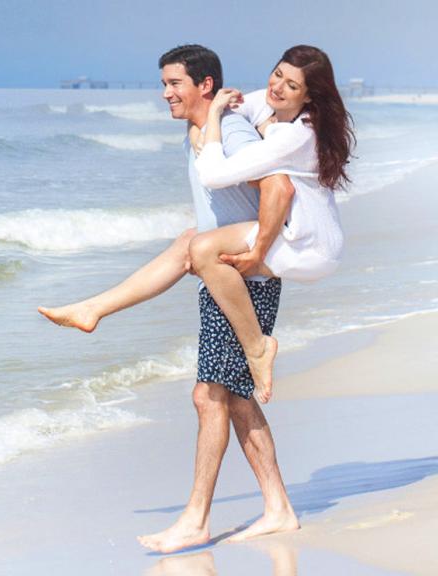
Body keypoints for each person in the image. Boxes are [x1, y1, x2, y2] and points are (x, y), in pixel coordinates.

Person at [41, 44, 300, 552]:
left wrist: (258, 254)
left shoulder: (232, 129)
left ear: (204, 85)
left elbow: (278, 186)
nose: (165, 93)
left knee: (209, 398)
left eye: (174, 83)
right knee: (237, 399)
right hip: (223, 275)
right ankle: (279, 507)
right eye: (164, 83)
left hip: (242, 281)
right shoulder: (202, 130)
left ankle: (196, 518)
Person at [39, 46, 354, 405]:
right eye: (277, 73)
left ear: (309, 95)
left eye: (291, 85)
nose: (277, 86)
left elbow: (222, 175)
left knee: (202, 249)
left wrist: (258, 251)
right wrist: (207, 123)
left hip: (308, 246)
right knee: (190, 240)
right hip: (307, 234)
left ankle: (258, 348)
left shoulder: (293, 136)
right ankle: (93, 308)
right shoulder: (274, 108)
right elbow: (236, 106)